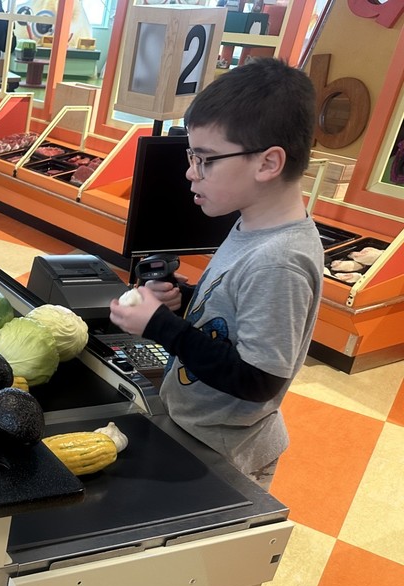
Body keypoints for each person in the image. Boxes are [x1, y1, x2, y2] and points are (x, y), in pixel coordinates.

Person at [109, 58, 323, 492]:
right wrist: (183, 302)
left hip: (228, 454)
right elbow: (233, 316)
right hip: (195, 428)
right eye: (192, 156)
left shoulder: (279, 260)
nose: (191, 172)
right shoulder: (250, 226)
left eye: (205, 159)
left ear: (268, 163)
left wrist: (160, 326)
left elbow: (257, 379)